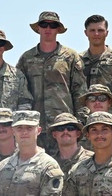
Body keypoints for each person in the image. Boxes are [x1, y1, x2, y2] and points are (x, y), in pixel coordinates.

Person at [16, 12, 87, 147]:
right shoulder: (26, 58)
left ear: (58, 29)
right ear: (38, 28)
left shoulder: (70, 57)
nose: (48, 29)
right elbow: (20, 93)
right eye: (44, 25)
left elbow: (80, 92)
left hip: (64, 126)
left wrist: (81, 123)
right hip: (36, 127)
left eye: (53, 25)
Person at [80, 15, 112, 125]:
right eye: (92, 30)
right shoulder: (78, 60)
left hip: (110, 123)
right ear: (86, 33)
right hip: (84, 122)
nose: (96, 34)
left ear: (107, 33)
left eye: (100, 30)